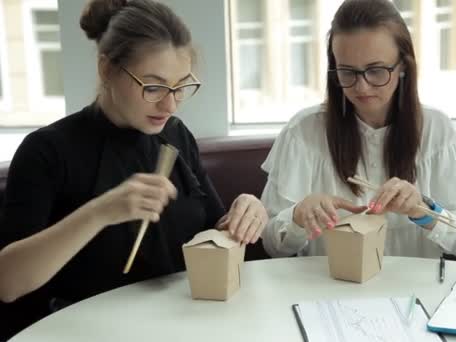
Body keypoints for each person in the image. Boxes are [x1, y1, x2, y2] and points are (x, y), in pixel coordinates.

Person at [0, 0, 267, 336]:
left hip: (183, 323)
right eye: (153, 87)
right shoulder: (48, 150)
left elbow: (215, 227)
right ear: (106, 69)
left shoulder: (176, 135)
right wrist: (100, 212)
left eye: (181, 86)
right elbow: (8, 283)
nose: (169, 104)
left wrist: (247, 211)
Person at [260, 0, 456, 260]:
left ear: (403, 66)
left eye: (376, 70)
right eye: (347, 72)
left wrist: (424, 211)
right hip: (325, 290)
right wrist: (298, 217)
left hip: (414, 293)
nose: (362, 87)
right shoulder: (302, 132)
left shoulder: (438, 130)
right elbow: (271, 244)